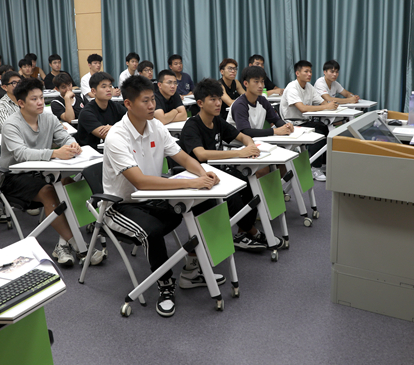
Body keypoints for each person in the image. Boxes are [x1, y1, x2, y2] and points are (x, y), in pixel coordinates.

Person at [102, 75, 223, 317]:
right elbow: (140, 182)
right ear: (128, 104)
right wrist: (193, 183)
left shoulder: (156, 126)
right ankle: (165, 284)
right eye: (145, 101)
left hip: (153, 199)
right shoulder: (117, 136)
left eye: (152, 100)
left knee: (206, 202)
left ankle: (190, 269)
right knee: (154, 229)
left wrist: (203, 173)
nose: (151, 106)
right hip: (121, 206)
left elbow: (183, 157)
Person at [0, 78, 103, 267]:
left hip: (42, 171)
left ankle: (62, 245)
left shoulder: (48, 118)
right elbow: (21, 154)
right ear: (21, 103)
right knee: (50, 192)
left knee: (71, 186)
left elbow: (64, 137)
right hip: (13, 177)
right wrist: (55, 153)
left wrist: (72, 146)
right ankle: (81, 247)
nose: (40, 102)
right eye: (33, 99)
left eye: (41, 98)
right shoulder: (11, 125)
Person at [180, 78, 271, 251]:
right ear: (200, 103)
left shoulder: (218, 121)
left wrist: (250, 145)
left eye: (219, 99)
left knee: (249, 183)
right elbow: (201, 154)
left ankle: (241, 232)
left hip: (219, 171)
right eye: (212, 99)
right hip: (200, 176)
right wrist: (239, 152)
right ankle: (251, 231)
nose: (218, 103)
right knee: (233, 196)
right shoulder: (192, 125)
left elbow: (241, 136)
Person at [280, 60, 338, 182]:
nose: (309, 74)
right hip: (291, 123)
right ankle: (314, 168)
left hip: (304, 122)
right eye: (306, 71)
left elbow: (322, 102)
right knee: (319, 130)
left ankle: (320, 163)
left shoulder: (309, 87)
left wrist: (330, 105)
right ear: (297, 73)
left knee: (324, 128)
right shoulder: (292, 87)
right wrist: (326, 107)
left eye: (310, 71)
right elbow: (302, 108)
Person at [229, 66, 293, 137]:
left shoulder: (262, 100)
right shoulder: (239, 104)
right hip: (237, 145)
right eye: (256, 81)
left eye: (262, 81)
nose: (260, 85)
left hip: (256, 141)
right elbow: (246, 132)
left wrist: (286, 126)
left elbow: (276, 120)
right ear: (246, 83)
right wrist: (274, 131)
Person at [75, 72, 126, 150]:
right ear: (93, 91)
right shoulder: (86, 113)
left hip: (112, 148)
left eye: (110, 86)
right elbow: (105, 134)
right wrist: (118, 128)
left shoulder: (116, 106)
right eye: (104, 86)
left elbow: (133, 123)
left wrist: (113, 128)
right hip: (91, 154)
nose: (109, 89)